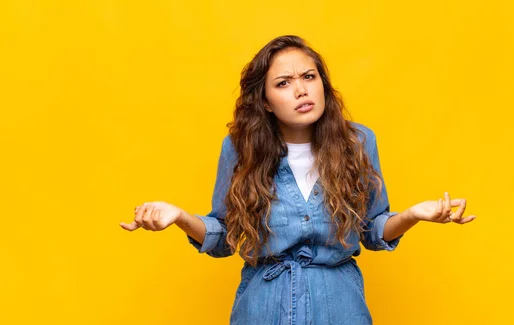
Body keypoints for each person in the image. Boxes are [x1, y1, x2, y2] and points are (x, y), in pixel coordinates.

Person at [120, 35, 476, 325]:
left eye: (309, 76)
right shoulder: (239, 149)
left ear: (323, 82)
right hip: (262, 307)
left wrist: (413, 215)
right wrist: (181, 217)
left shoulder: (359, 142)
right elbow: (225, 237)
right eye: (284, 83)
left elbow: (372, 230)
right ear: (266, 102)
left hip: (340, 306)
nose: (301, 90)